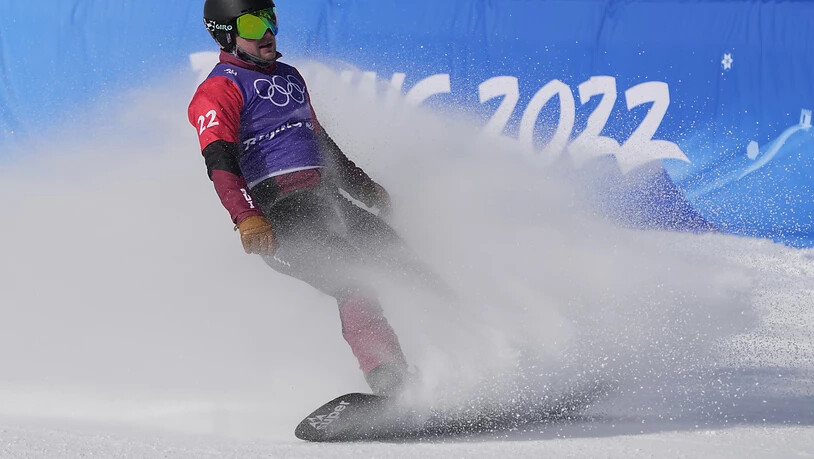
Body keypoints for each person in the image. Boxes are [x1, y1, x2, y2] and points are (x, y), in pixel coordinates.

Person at [188, 0, 411, 395]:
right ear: (226, 35)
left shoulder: (289, 76)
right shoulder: (219, 89)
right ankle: (390, 383)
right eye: (253, 24)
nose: (267, 32)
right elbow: (220, 162)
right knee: (354, 278)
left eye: (270, 19)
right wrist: (246, 216)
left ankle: (485, 354)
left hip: (326, 200)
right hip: (279, 216)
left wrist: (362, 186)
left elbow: (319, 141)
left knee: (405, 261)